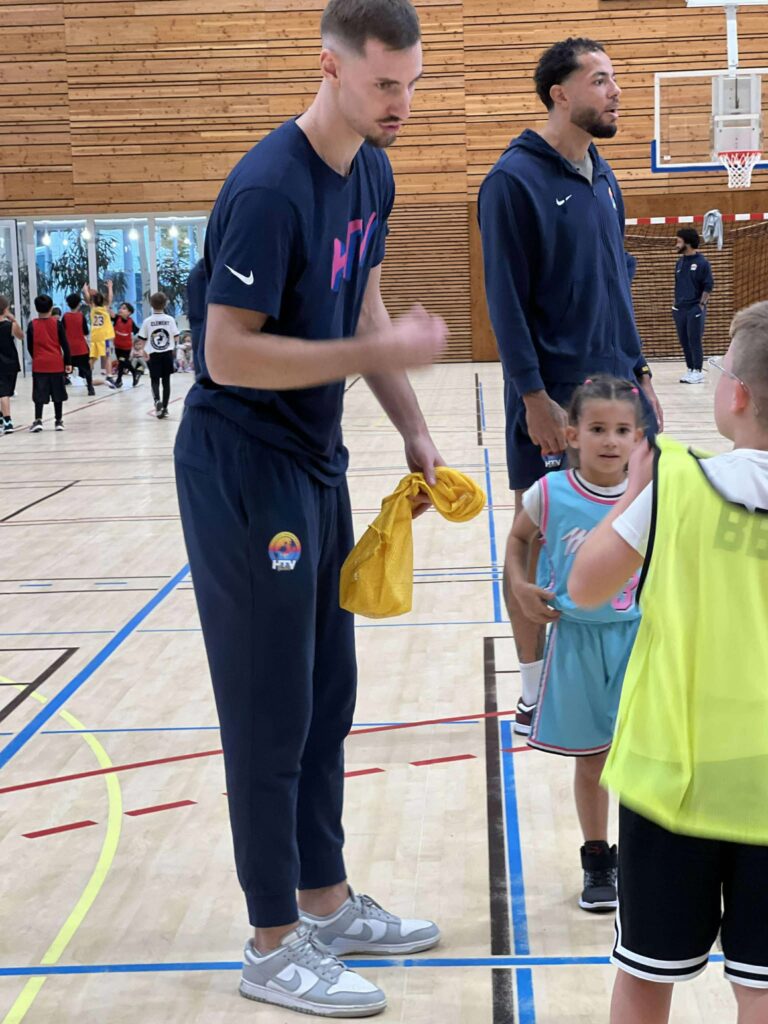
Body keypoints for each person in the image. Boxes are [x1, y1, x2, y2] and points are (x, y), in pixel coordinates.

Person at [173, 0, 448, 1015]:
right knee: (270, 710)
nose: (401, 103)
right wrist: (372, 352)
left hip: (315, 462)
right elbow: (225, 352)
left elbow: (361, 300)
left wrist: (414, 428)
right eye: (384, 85)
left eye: (411, 85)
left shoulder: (372, 171)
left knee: (328, 694)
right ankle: (270, 942)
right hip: (243, 471)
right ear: (329, 68)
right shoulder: (268, 188)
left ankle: (324, 902)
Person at [569, 302, 768, 1024]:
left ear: (735, 394)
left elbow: (586, 587)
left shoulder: (675, 482)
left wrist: (632, 492)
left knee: (648, 974)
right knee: (762, 987)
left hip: (672, 778)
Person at [478, 36, 662, 736]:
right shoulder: (512, 181)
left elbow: (618, 284)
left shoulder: (604, 177)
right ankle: (533, 691)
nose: (616, 91)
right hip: (553, 399)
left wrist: (642, 372)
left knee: (633, 534)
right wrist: (533, 397)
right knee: (533, 540)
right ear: (560, 94)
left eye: (615, 78)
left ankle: (619, 677)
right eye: (601, 79)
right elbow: (504, 301)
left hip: (620, 397)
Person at [505, 376, 644, 911]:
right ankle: (597, 859)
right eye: (598, 428)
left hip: (639, 639)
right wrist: (520, 585)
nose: (610, 440)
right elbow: (519, 539)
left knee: (643, 758)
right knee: (593, 760)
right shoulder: (550, 493)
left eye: (622, 430)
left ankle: (645, 858)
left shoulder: (650, 495)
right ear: (572, 435)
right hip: (577, 641)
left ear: (638, 438)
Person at [673, 227, 714, 384]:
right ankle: (690, 369)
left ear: (687, 243)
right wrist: (675, 305)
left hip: (694, 307)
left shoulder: (702, 263)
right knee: (684, 341)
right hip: (680, 308)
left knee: (694, 339)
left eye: (679, 241)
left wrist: (701, 305)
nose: (676, 245)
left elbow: (708, 285)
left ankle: (698, 371)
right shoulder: (680, 262)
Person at [27, 294, 71, 432]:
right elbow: (65, 345)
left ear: (36, 308)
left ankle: (38, 420)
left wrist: (37, 357)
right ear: (51, 308)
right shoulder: (57, 324)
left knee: (39, 394)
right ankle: (58, 421)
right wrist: (68, 362)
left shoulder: (32, 325)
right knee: (58, 394)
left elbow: (29, 346)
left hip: (39, 365)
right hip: (56, 364)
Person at [136, 292, 179, 418]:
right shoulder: (170, 319)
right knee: (166, 381)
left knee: (154, 380)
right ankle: (164, 408)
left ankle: (157, 401)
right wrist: (173, 347)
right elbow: (176, 337)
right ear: (165, 304)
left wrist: (144, 351)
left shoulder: (147, 321)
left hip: (153, 354)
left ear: (151, 304)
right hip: (167, 353)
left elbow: (142, 339)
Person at [62, 293, 95, 396]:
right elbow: (86, 331)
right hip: (81, 348)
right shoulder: (81, 316)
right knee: (87, 369)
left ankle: (61, 389)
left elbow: (62, 332)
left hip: (69, 349)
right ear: (79, 304)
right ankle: (90, 388)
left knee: (64, 370)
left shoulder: (65, 317)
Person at [0, 295, 23, 435]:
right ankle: (7, 421)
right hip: (10, 363)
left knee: (4, 392)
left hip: (4, 364)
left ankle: (2, 418)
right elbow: (21, 336)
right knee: (5, 393)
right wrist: (14, 319)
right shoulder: (10, 325)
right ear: (6, 309)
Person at [84, 282, 115, 377]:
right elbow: (110, 297)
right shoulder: (105, 308)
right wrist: (110, 287)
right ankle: (109, 375)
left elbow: (88, 299)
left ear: (92, 302)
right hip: (104, 336)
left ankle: (87, 376)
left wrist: (85, 290)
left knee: (93, 357)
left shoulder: (93, 308)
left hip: (95, 336)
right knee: (107, 356)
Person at [109, 301, 141, 388]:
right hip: (117, 346)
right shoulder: (116, 318)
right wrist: (108, 306)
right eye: (120, 308)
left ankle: (119, 380)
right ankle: (135, 373)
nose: (121, 309)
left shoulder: (131, 322)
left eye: (124, 308)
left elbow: (138, 330)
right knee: (122, 362)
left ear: (129, 312)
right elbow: (111, 313)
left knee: (122, 362)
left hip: (126, 348)